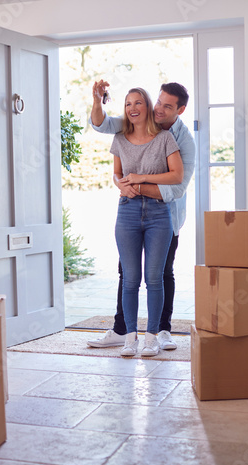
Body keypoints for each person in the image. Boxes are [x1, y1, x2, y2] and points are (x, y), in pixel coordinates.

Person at [88, 80, 195, 351]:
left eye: (166, 106)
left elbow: (178, 185)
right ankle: (125, 332)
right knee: (128, 275)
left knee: (161, 274)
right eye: (158, 101)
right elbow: (101, 125)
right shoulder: (127, 129)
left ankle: (161, 331)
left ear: (179, 110)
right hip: (130, 210)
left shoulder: (180, 139)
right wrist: (97, 99)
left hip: (166, 213)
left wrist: (136, 184)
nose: (159, 108)